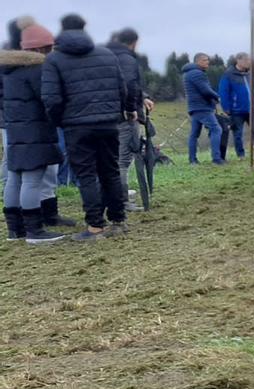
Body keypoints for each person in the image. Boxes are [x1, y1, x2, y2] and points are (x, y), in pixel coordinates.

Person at [42, 14, 133, 240]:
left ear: (61, 30)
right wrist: (119, 112)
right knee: (110, 171)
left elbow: (51, 99)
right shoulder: (107, 54)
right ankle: (118, 221)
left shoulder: (54, 59)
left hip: (76, 126)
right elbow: (122, 89)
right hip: (108, 123)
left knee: (87, 176)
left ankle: (95, 227)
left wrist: (59, 121)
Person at [2, 24, 68, 244]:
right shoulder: (37, 70)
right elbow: (49, 98)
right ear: (41, 49)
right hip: (36, 131)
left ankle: (15, 230)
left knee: (14, 178)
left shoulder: (8, 70)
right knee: (32, 180)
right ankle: (34, 231)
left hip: (14, 129)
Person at [106, 28, 153, 210]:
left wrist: (143, 97)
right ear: (134, 42)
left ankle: (111, 198)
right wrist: (131, 109)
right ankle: (122, 200)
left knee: (111, 158)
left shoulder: (104, 57)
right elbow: (128, 84)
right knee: (123, 159)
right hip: (124, 117)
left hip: (107, 115)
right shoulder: (126, 59)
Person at [219, 53, 254, 160]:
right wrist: (226, 108)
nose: (248, 62)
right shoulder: (228, 75)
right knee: (238, 134)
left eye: (249, 60)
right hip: (236, 110)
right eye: (246, 60)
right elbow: (223, 92)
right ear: (238, 60)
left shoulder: (251, 74)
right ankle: (241, 155)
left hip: (252, 109)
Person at [183, 54, 224, 165]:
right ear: (197, 61)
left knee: (194, 134)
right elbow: (205, 90)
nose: (207, 62)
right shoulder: (197, 73)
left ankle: (192, 160)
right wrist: (217, 97)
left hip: (194, 107)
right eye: (204, 60)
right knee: (216, 129)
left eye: (208, 60)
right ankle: (216, 159)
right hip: (202, 107)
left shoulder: (188, 73)